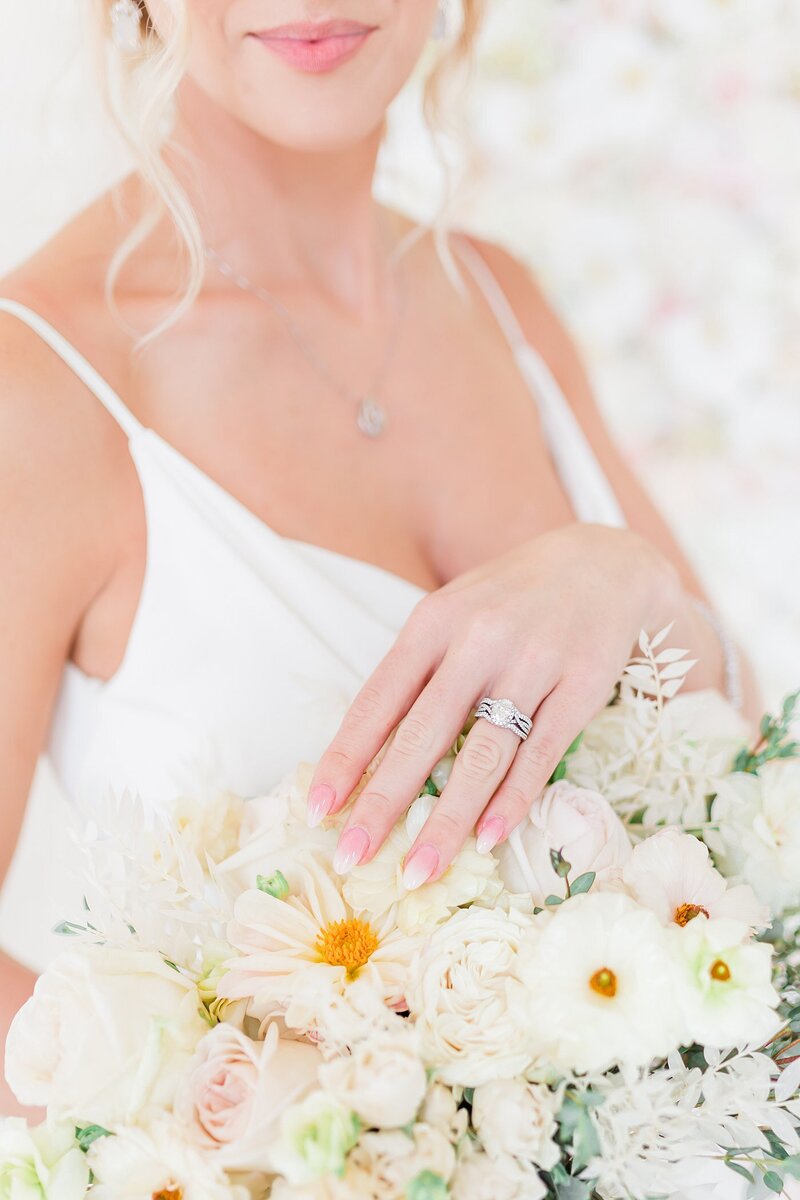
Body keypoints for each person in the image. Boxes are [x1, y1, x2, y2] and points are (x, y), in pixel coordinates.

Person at [0, 0, 755, 1115]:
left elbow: (736, 761)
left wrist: (623, 575)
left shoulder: (501, 301)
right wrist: (245, 1151)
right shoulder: (43, 390)